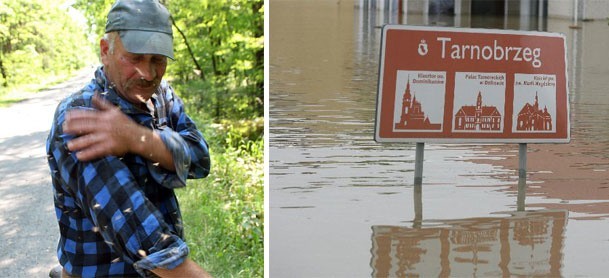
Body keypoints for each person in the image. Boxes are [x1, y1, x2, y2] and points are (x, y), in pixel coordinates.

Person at [46, 0, 212, 276]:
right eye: (134, 58)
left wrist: (137, 138)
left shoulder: (161, 97)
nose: (148, 74)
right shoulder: (82, 117)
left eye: (157, 60)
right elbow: (148, 241)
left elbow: (200, 159)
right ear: (105, 51)